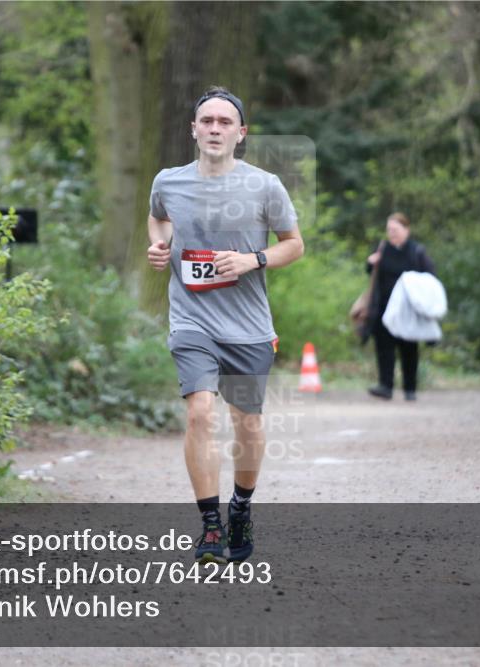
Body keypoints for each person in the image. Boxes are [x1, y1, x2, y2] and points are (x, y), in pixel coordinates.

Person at [146, 86, 305, 564]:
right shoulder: (168, 182)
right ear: (193, 129)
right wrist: (159, 246)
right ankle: (210, 525)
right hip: (192, 320)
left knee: (249, 426)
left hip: (249, 327)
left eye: (225, 122)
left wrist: (251, 260)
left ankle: (241, 506)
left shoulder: (264, 185)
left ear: (241, 133)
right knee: (199, 413)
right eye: (207, 121)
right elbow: (157, 220)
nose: (215, 128)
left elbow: (293, 244)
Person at [363, 212, 435, 401]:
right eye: (389, 230)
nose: (392, 233)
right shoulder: (382, 249)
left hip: (408, 310)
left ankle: (410, 389)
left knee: (409, 348)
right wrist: (370, 263)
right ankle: (385, 386)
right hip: (384, 307)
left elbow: (430, 277)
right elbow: (370, 272)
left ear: (406, 229)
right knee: (384, 347)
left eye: (395, 229)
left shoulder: (416, 251)